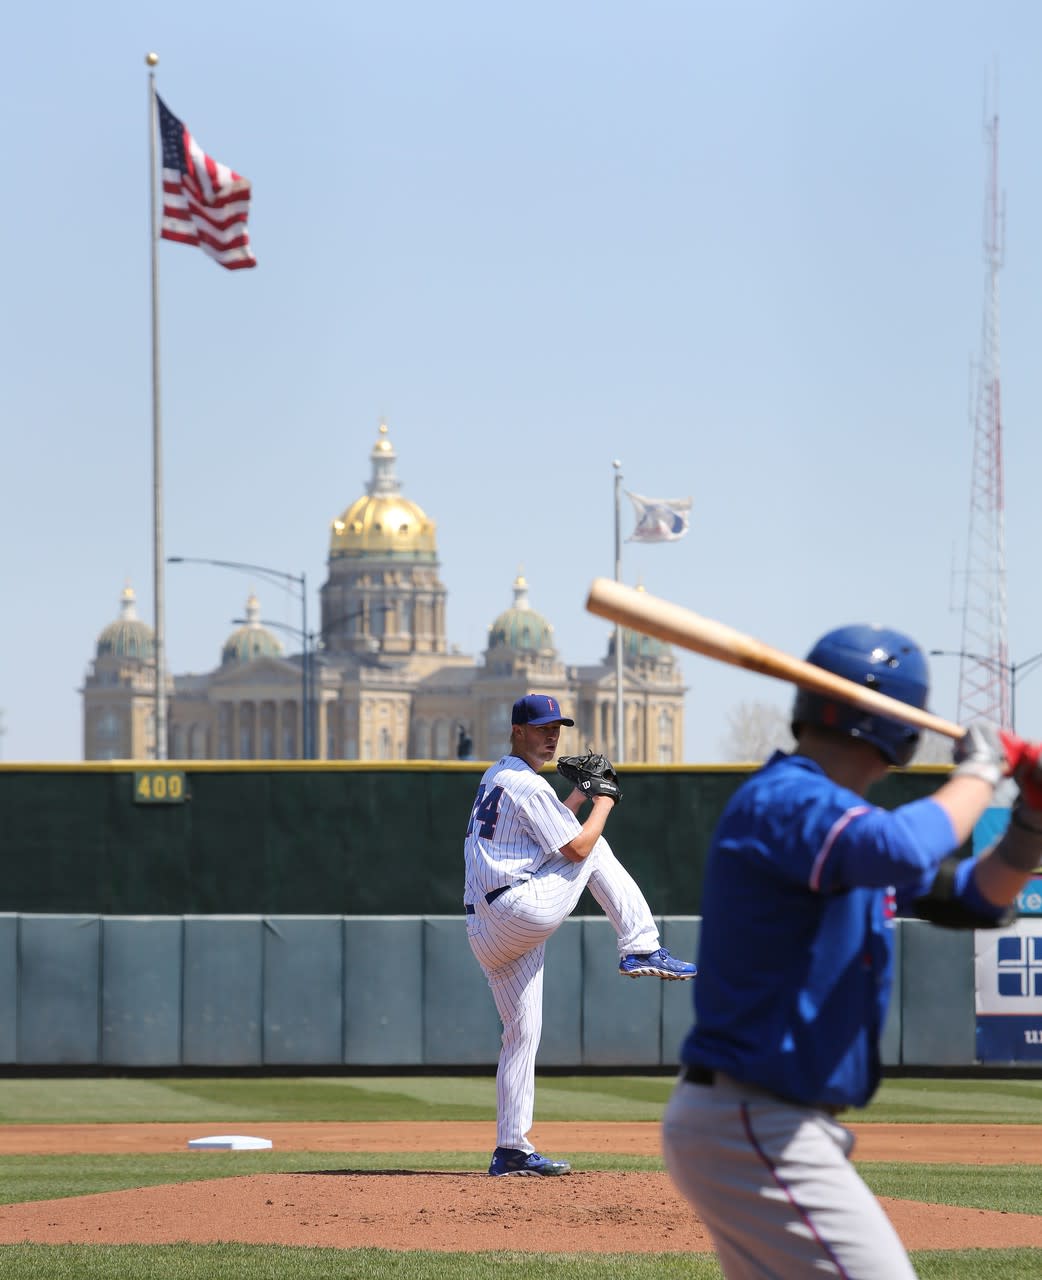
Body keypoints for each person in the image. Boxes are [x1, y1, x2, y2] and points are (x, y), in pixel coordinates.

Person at [661, 623, 1042, 1279]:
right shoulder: (786, 800)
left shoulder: (832, 820)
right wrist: (983, 772)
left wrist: (1032, 821)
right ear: (901, 732)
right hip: (756, 1121)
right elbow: (902, 848)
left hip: (760, 1123)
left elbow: (974, 895)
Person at [465, 692, 696, 1177]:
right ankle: (640, 946)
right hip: (516, 910)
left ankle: (511, 1149)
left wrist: (581, 797)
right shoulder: (526, 786)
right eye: (542, 727)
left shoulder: (498, 776)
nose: (552, 735)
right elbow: (575, 848)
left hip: (487, 928)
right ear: (517, 731)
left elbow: (551, 835)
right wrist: (606, 801)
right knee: (595, 847)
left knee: (521, 1034)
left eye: (557, 727)